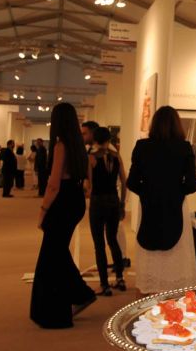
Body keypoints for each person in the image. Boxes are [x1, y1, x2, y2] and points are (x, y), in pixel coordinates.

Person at [30, 103, 96, 329]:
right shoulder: (79, 146)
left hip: (63, 201)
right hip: (76, 200)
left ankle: (56, 311)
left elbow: (54, 184)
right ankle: (81, 293)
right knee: (57, 253)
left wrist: (43, 211)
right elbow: (89, 184)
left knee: (50, 257)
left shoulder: (60, 146)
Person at [127, 105, 196, 294]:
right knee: (176, 256)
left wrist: (148, 192)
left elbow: (132, 182)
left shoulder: (142, 146)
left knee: (151, 255)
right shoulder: (184, 148)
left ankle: (149, 291)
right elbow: (191, 184)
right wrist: (175, 191)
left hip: (149, 205)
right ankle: (175, 297)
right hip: (176, 205)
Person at [87, 127, 127, 297]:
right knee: (113, 240)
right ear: (108, 139)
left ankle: (104, 285)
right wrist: (122, 203)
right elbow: (124, 181)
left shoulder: (91, 158)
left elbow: (89, 185)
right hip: (113, 200)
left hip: (97, 201)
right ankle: (119, 278)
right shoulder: (116, 156)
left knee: (99, 244)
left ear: (95, 139)